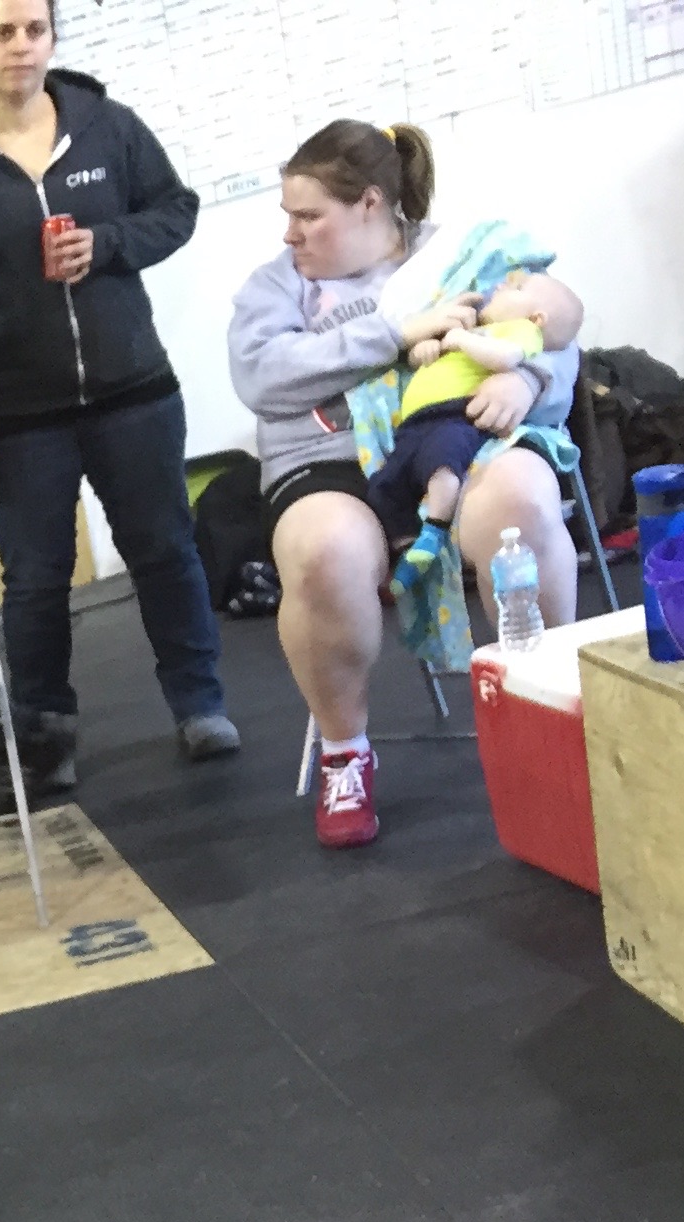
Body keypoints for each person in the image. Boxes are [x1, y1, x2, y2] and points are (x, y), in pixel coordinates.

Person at [0, 0, 236, 791]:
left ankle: (200, 706)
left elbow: (176, 210)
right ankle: (46, 739)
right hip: (19, 418)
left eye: (35, 30)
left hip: (135, 393)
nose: (21, 46)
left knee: (166, 553)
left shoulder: (109, 127)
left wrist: (109, 243)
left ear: (52, 40)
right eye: (3, 33)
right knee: (36, 583)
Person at [226, 120, 584, 847]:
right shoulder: (275, 287)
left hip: (464, 437)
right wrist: (393, 333)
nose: (290, 235)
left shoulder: (463, 253)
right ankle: (344, 755)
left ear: (369, 203)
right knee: (324, 551)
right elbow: (260, 377)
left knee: (519, 503)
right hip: (329, 461)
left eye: (308, 217)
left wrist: (528, 379)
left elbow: (557, 327)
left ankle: (556, 725)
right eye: (287, 217)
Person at [375, 267, 583, 578]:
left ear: (536, 318)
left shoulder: (520, 330)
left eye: (517, 288)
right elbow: (421, 360)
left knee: (442, 462)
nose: (501, 285)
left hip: (457, 414)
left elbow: (506, 358)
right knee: (385, 485)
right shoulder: (477, 331)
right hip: (415, 423)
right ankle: (408, 548)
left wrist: (461, 338)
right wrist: (425, 350)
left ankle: (435, 528)